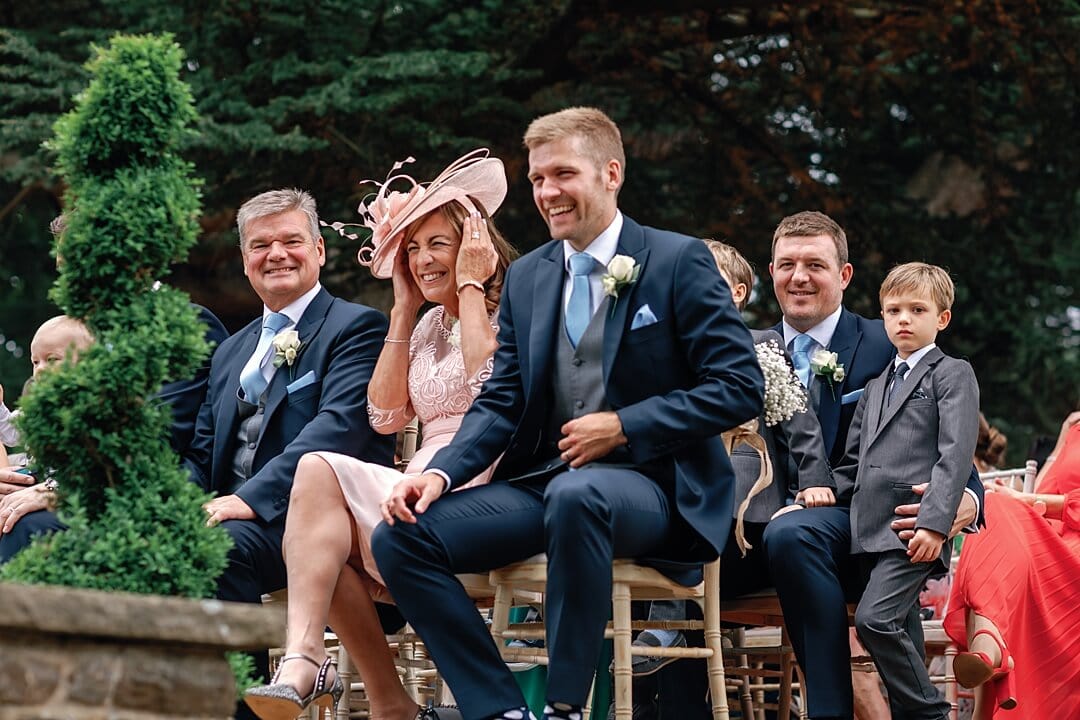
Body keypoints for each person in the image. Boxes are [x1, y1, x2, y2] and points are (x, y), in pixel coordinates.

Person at [371, 107, 765, 720]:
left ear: (611, 173)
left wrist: (627, 424)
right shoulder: (530, 275)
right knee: (401, 536)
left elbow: (740, 387)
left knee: (580, 496)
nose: (547, 193)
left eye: (563, 174)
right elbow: (502, 400)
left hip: (660, 490)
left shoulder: (677, 261)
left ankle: (565, 707)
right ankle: (499, 708)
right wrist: (441, 473)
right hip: (543, 483)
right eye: (536, 180)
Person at [244, 150, 516, 720]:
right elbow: (386, 417)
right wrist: (401, 309)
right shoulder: (425, 323)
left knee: (318, 466)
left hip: (484, 473)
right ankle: (382, 699)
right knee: (328, 551)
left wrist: (469, 286)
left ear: (472, 242)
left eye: (436, 244)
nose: (422, 260)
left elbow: (490, 383)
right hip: (421, 476)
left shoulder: (509, 304)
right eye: (411, 249)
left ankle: (305, 659)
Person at [760, 211, 983, 720]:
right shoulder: (744, 349)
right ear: (770, 270)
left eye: (814, 264)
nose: (799, 276)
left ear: (844, 275)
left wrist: (961, 504)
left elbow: (955, 449)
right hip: (753, 525)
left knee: (798, 538)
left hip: (858, 523)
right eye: (787, 264)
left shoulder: (895, 343)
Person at [181, 188, 393, 719]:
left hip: (321, 524)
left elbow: (336, 429)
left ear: (319, 249)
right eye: (260, 245)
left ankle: (250, 712)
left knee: (220, 548)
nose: (276, 254)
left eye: (291, 241)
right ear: (245, 261)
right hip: (233, 517)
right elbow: (205, 450)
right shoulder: (231, 349)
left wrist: (246, 501)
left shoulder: (357, 327)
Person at [837, 262, 978, 720]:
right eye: (893, 309)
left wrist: (936, 524)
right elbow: (853, 463)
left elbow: (955, 454)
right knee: (903, 630)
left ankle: (933, 714)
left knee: (874, 621)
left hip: (912, 528)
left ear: (942, 318)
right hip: (869, 531)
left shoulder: (951, 373)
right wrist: (811, 492)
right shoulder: (875, 385)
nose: (903, 319)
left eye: (917, 309)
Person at [944, 409, 1080, 719]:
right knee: (990, 506)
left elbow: (1033, 502)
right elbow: (1039, 494)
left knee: (999, 510)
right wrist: (1061, 442)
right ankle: (989, 644)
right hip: (1050, 547)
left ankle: (987, 692)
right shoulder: (1075, 430)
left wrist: (1030, 502)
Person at [0, 315, 94, 559]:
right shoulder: (38, 407)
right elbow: (11, 434)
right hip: (35, 479)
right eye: (35, 362)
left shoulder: (90, 408)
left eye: (52, 360)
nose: (40, 369)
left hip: (66, 492)